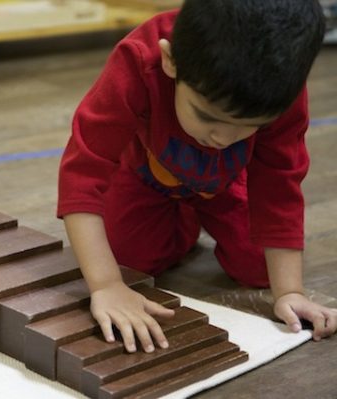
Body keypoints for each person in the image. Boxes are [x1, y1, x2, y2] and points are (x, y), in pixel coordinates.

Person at [57, 0, 337, 354]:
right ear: (170, 60)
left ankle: (190, 211)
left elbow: (279, 183)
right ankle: (181, 218)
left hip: (223, 184)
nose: (221, 139)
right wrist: (106, 284)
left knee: (258, 271)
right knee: (130, 264)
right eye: (207, 116)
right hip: (146, 175)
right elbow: (82, 170)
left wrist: (290, 292)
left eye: (248, 126)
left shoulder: (280, 88)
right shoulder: (137, 60)